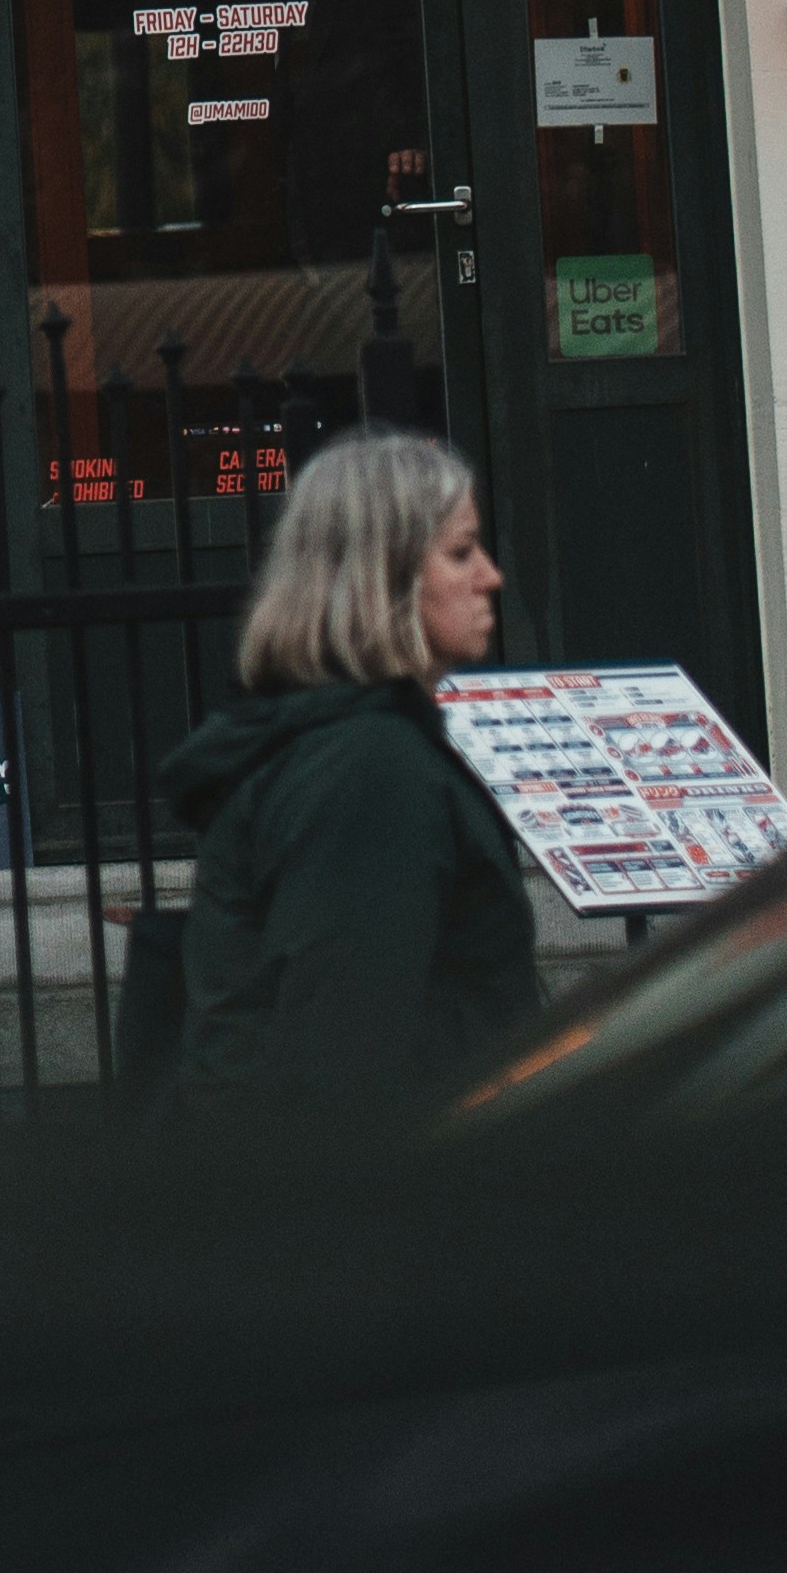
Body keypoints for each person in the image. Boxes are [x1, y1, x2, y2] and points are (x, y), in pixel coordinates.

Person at [158, 432, 543, 1118]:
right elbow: (344, 1059)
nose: (491, 576)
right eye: (460, 552)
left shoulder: (347, 746)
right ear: (382, 574)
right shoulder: (370, 767)